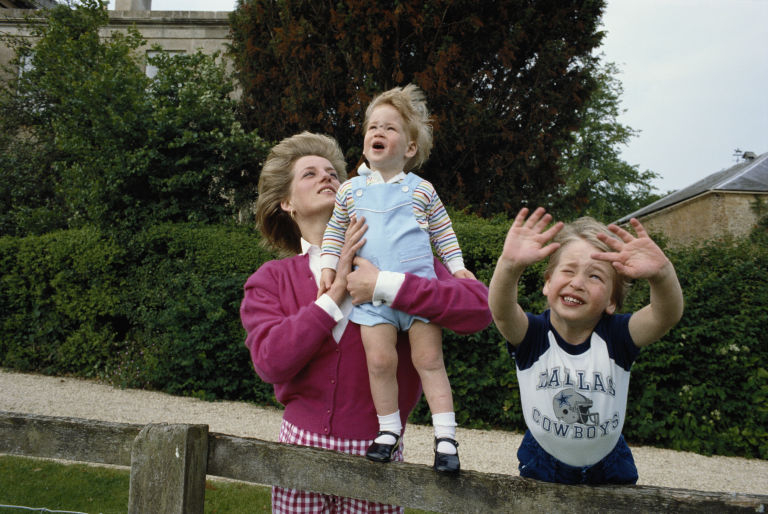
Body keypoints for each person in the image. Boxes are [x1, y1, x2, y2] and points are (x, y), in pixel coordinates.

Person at [240, 131, 492, 512]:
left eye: (332, 172)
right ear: (286, 203)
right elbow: (270, 362)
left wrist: (387, 286)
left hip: (379, 460)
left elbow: (479, 309)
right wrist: (335, 294)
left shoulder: (407, 261)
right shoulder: (271, 279)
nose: (327, 177)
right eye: (309, 173)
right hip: (298, 455)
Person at [318, 85, 473, 473]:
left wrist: (456, 267)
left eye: (389, 128)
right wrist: (329, 267)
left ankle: (446, 438)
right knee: (380, 361)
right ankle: (388, 431)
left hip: (418, 293)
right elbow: (335, 232)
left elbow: (444, 232)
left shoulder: (422, 190)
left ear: (409, 148)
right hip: (371, 298)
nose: (378, 132)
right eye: (372, 127)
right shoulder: (350, 190)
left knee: (429, 360)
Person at [488, 207, 684, 485]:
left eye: (595, 277)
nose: (577, 283)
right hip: (543, 460)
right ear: (548, 283)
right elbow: (501, 311)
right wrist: (509, 266)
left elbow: (665, 315)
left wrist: (662, 274)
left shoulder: (618, 336)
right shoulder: (533, 335)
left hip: (609, 463)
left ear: (611, 301)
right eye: (568, 270)